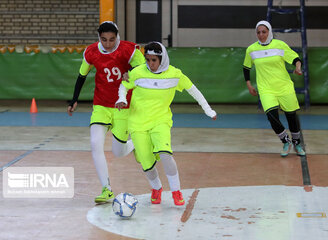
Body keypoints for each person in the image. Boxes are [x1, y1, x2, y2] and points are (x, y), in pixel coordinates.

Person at [115, 42, 217, 206]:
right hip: (137, 123)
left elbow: (193, 90)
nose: (150, 64)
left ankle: (176, 191)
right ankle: (156, 188)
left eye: (154, 60)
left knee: (165, 153)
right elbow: (124, 86)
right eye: (147, 60)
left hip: (160, 122)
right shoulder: (138, 73)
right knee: (146, 162)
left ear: (162, 59)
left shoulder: (174, 75)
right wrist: (121, 98)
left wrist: (208, 109)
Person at [67, 21, 145, 203]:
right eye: (104, 40)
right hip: (101, 104)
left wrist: (131, 72)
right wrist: (74, 99)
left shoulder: (129, 50)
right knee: (95, 144)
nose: (108, 43)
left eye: (111, 39)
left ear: (117, 37)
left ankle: (134, 145)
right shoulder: (91, 52)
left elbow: (144, 70)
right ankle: (106, 188)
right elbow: (81, 76)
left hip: (122, 105)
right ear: (99, 38)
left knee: (118, 152)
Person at [243, 20, 306, 157]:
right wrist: (249, 84)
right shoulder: (251, 49)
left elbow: (295, 58)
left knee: (291, 117)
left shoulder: (280, 45)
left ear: (269, 32)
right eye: (258, 32)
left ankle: (297, 142)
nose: (261, 35)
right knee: (271, 116)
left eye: (264, 32)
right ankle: (285, 141)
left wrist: (298, 68)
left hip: (284, 87)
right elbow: (246, 67)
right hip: (266, 89)